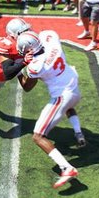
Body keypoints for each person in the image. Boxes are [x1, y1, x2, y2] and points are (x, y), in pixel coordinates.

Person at [16, 30, 85, 189]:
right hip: (74, 87)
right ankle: (78, 133)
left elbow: (27, 87)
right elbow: (45, 39)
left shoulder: (35, 66)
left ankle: (67, 168)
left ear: (29, 50)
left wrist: (19, 70)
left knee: (38, 136)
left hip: (62, 96)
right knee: (69, 108)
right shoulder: (51, 39)